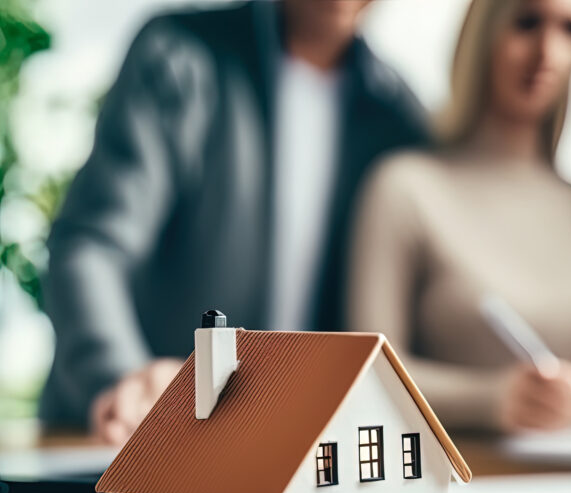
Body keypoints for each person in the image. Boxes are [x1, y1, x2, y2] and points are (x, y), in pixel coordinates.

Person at [42, 0, 427, 443]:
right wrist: (120, 373)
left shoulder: (398, 117)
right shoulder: (177, 53)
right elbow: (92, 244)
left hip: (284, 454)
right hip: (116, 439)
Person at [347, 0, 571, 433]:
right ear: (483, 34)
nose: (547, 51)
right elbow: (369, 372)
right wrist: (489, 401)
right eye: (526, 23)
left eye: (569, 30)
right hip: (474, 484)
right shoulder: (404, 188)